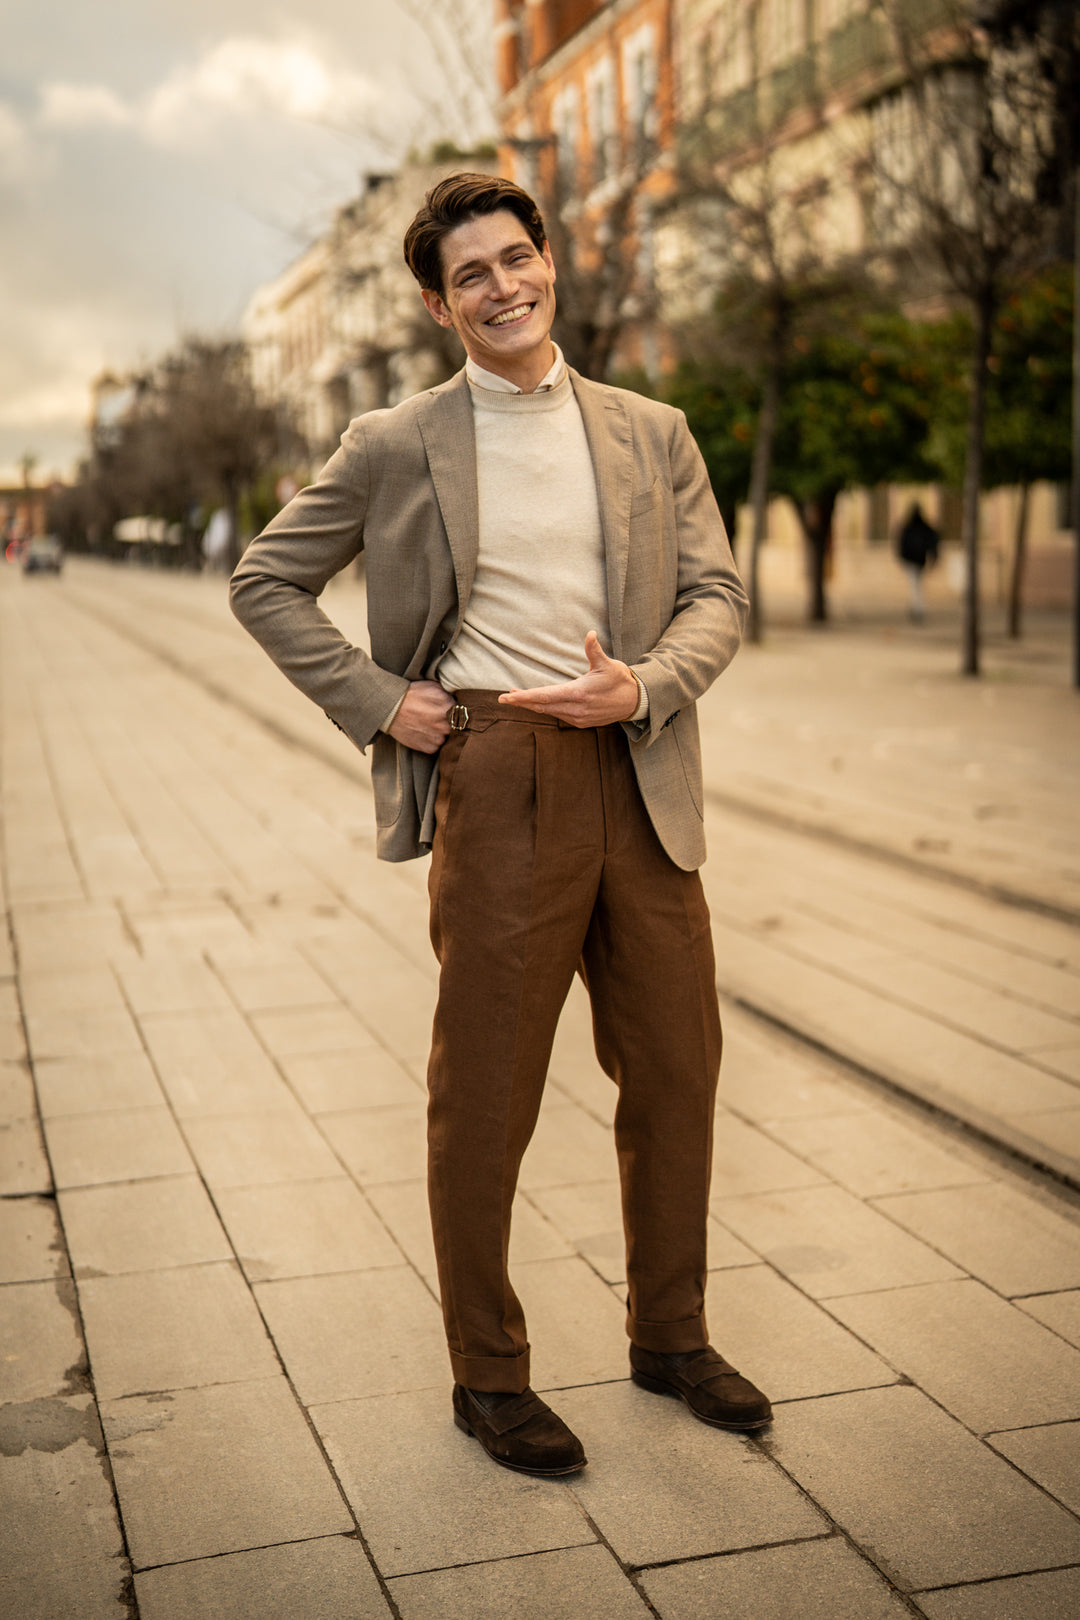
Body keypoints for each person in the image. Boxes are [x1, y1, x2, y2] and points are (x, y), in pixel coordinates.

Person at [230, 172, 771, 1478]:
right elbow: (265, 579)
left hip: (638, 769)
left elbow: (716, 597)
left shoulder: (654, 431)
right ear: (437, 302)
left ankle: (670, 1335)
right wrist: (383, 703)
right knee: (485, 1092)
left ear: (550, 264)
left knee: (680, 1069)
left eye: (516, 259)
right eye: (470, 275)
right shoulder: (394, 441)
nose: (502, 286)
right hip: (498, 768)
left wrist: (643, 683)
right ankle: (489, 1373)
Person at [895, 501, 940, 623]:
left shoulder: (911, 527)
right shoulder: (918, 527)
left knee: (915, 586)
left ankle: (917, 609)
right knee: (916, 585)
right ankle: (917, 608)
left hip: (914, 561)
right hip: (918, 560)